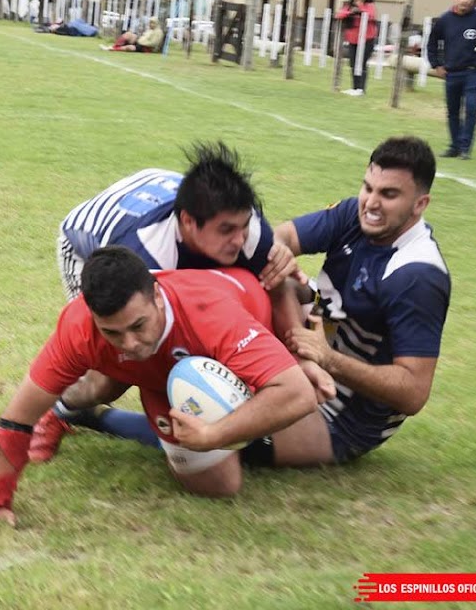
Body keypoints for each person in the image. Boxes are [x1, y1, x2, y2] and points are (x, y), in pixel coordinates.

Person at [0, 247, 333, 530]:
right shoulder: (78, 326)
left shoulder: (210, 314)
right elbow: (16, 419)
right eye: (112, 332)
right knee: (221, 483)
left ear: (157, 296)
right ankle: (83, 406)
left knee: (312, 450)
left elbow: (296, 393)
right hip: (164, 377)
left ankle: (109, 413)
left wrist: (215, 434)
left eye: (138, 325)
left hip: (233, 353)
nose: (129, 343)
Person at [28, 142, 324, 464]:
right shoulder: (145, 253)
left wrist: (298, 355)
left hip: (159, 199)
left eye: (242, 227)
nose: (239, 240)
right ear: (188, 221)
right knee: (114, 370)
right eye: (227, 230)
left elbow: (276, 285)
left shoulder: (245, 229)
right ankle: (58, 411)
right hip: (86, 243)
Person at [277, 136, 451, 464]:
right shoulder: (354, 216)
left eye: (388, 194)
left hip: (343, 419)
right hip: (313, 351)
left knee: (218, 439)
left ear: (420, 204)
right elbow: (279, 238)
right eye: (368, 187)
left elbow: (413, 392)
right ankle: (289, 370)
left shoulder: (417, 275)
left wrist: (328, 359)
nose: (371, 203)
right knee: (270, 271)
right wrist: (278, 259)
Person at [427, 0, 476, 160]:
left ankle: (465, 147)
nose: (465, 1)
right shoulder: (445, 19)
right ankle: (454, 145)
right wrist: (436, 64)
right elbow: (432, 42)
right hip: (451, 72)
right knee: (453, 110)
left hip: (472, 72)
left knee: (471, 108)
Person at [336, 0, 378, 96]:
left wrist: (360, 10)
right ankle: (354, 87)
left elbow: (371, 15)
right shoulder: (349, 6)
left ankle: (361, 89)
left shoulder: (370, 6)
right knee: (353, 63)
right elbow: (339, 15)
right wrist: (351, 12)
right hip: (353, 40)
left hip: (367, 40)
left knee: (362, 63)